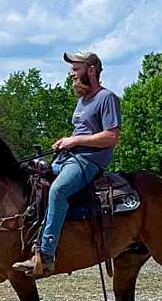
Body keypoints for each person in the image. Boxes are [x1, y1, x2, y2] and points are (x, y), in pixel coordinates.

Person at [13, 50, 121, 277]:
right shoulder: (82, 101)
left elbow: (111, 137)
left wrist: (74, 141)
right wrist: (65, 142)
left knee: (58, 190)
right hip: (68, 158)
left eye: (75, 68)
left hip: (88, 161)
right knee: (32, 178)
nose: (71, 74)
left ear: (90, 70)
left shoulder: (106, 98)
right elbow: (81, 131)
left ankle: (46, 255)